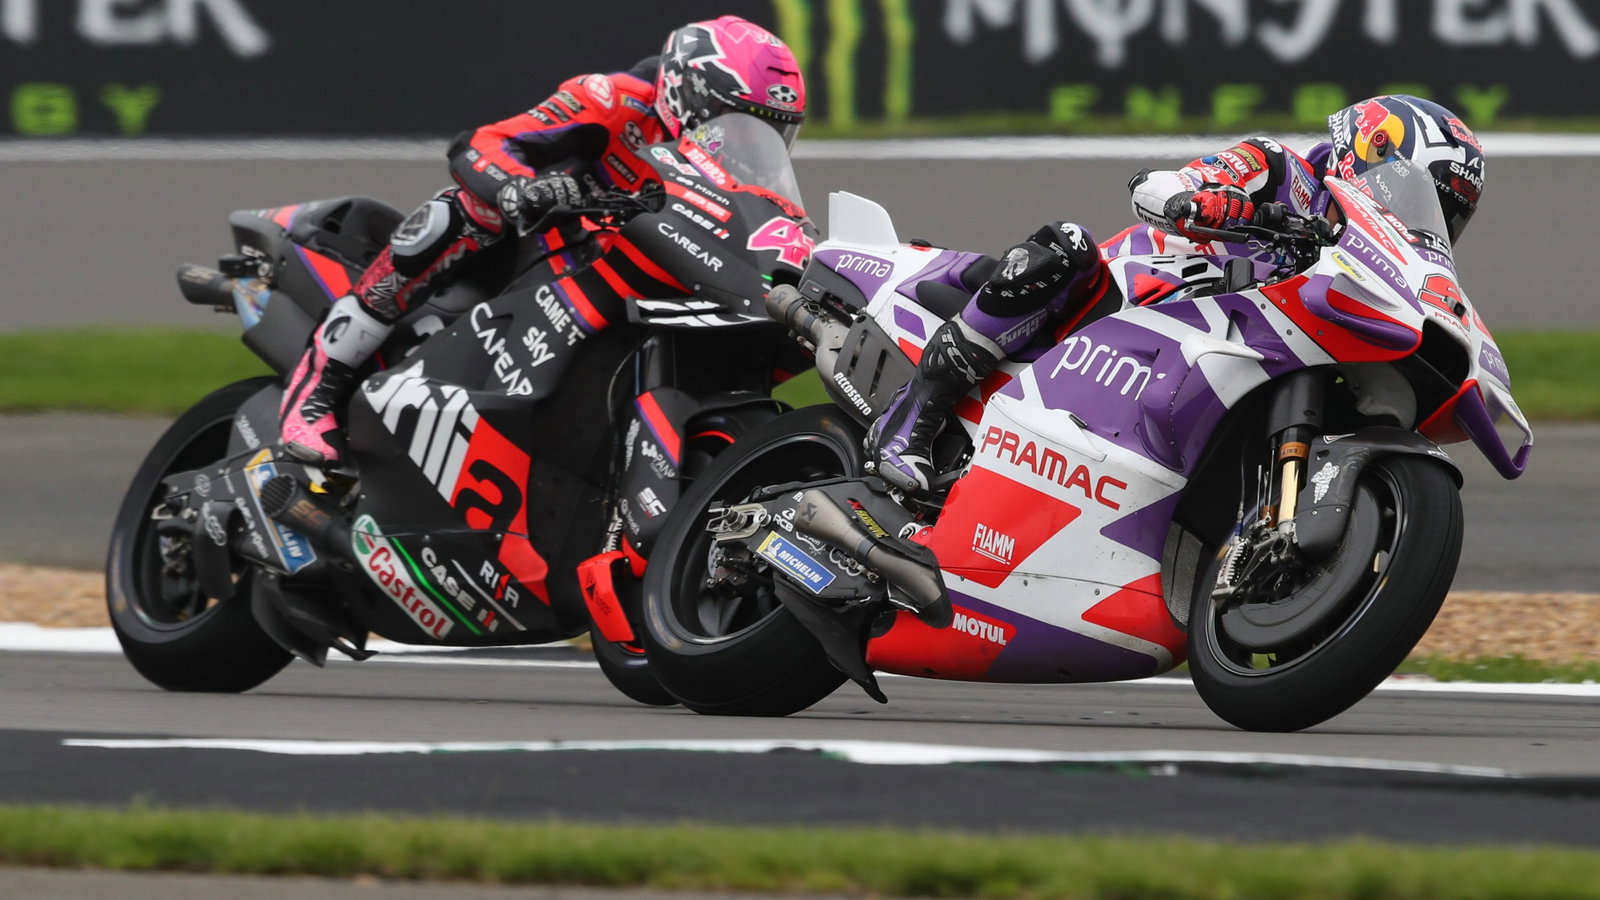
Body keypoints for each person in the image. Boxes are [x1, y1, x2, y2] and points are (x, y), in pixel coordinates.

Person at [866, 94, 1486, 495]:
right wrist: (1201, 199)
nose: (1427, 215)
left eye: (1445, 212)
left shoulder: (1371, 257)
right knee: (1067, 244)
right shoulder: (1281, 168)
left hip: (1211, 357)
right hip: (1122, 304)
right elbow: (1166, 187)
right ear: (1373, 150)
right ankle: (914, 413)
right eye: (1420, 189)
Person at [279, 15, 807, 465]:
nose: (750, 145)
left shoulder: (742, 170)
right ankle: (320, 381)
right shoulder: (613, 100)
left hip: (636, 279)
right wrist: (520, 189)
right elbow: (482, 145)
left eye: (773, 132)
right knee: (463, 212)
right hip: (545, 249)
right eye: (737, 126)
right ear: (685, 96)